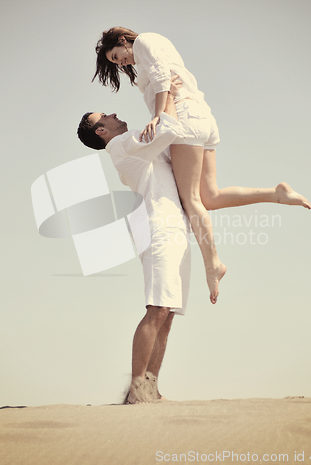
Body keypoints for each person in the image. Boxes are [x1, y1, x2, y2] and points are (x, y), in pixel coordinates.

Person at [92, 27, 311, 304]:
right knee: (209, 197)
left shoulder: (146, 41)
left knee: (191, 200)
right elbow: (165, 77)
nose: (120, 62)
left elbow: (162, 77)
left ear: (123, 41)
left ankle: (213, 264)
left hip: (183, 119)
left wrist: (159, 116)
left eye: (116, 56)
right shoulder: (153, 47)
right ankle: (276, 193)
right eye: (115, 63)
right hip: (201, 120)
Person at [78, 78, 191, 404]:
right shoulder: (123, 144)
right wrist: (166, 90)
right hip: (158, 229)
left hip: (174, 226)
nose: (114, 113)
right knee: (157, 308)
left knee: (167, 313)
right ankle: (136, 390)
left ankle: (150, 389)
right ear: (101, 131)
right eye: (106, 116)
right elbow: (169, 130)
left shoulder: (131, 142)